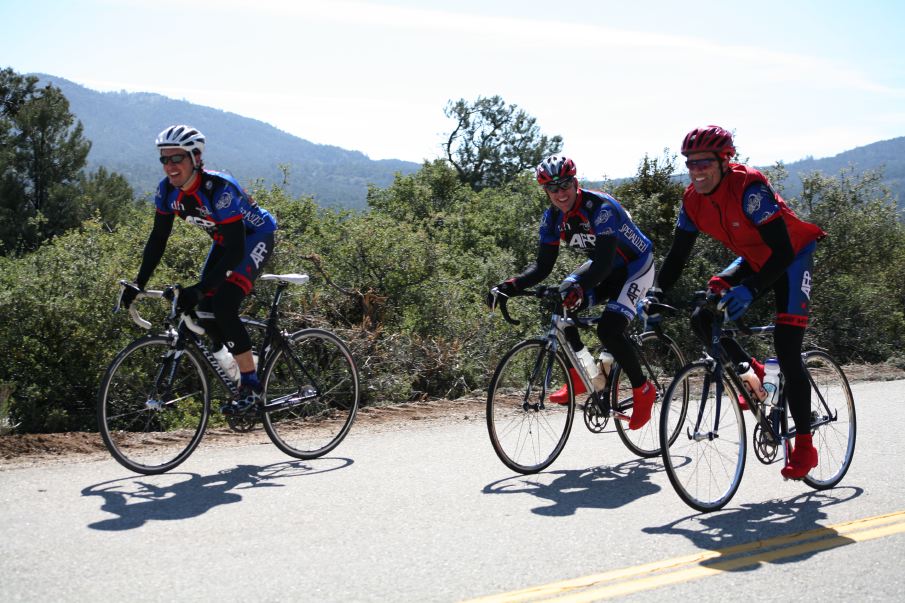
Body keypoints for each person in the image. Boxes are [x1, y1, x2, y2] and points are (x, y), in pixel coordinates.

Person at [644, 125, 826, 479]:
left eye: (704, 163)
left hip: (790, 256)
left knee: (787, 349)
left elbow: (782, 251)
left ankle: (804, 444)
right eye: (691, 162)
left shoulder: (749, 189)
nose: (696, 170)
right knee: (702, 315)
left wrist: (752, 289)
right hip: (755, 259)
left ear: (725, 161)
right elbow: (678, 256)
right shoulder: (692, 201)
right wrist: (656, 292)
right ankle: (753, 373)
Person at [487, 155, 657, 430]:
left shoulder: (600, 208)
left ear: (575, 182)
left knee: (609, 329)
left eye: (564, 185)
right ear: (546, 192)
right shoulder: (553, 217)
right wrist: (510, 286)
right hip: (606, 266)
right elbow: (543, 266)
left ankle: (643, 390)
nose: (560, 193)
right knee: (561, 304)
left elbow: (601, 264)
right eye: (552, 189)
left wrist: (580, 287)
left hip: (635, 266)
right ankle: (585, 373)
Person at [119, 125, 278, 415]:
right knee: (202, 309)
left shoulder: (218, 190)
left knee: (223, 303)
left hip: (254, 237)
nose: (169, 166)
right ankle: (238, 361)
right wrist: (138, 283)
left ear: (195, 157)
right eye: (164, 159)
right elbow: (157, 240)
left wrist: (202, 288)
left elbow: (236, 250)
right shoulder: (167, 190)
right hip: (225, 239)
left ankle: (252, 386)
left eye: (176, 158)